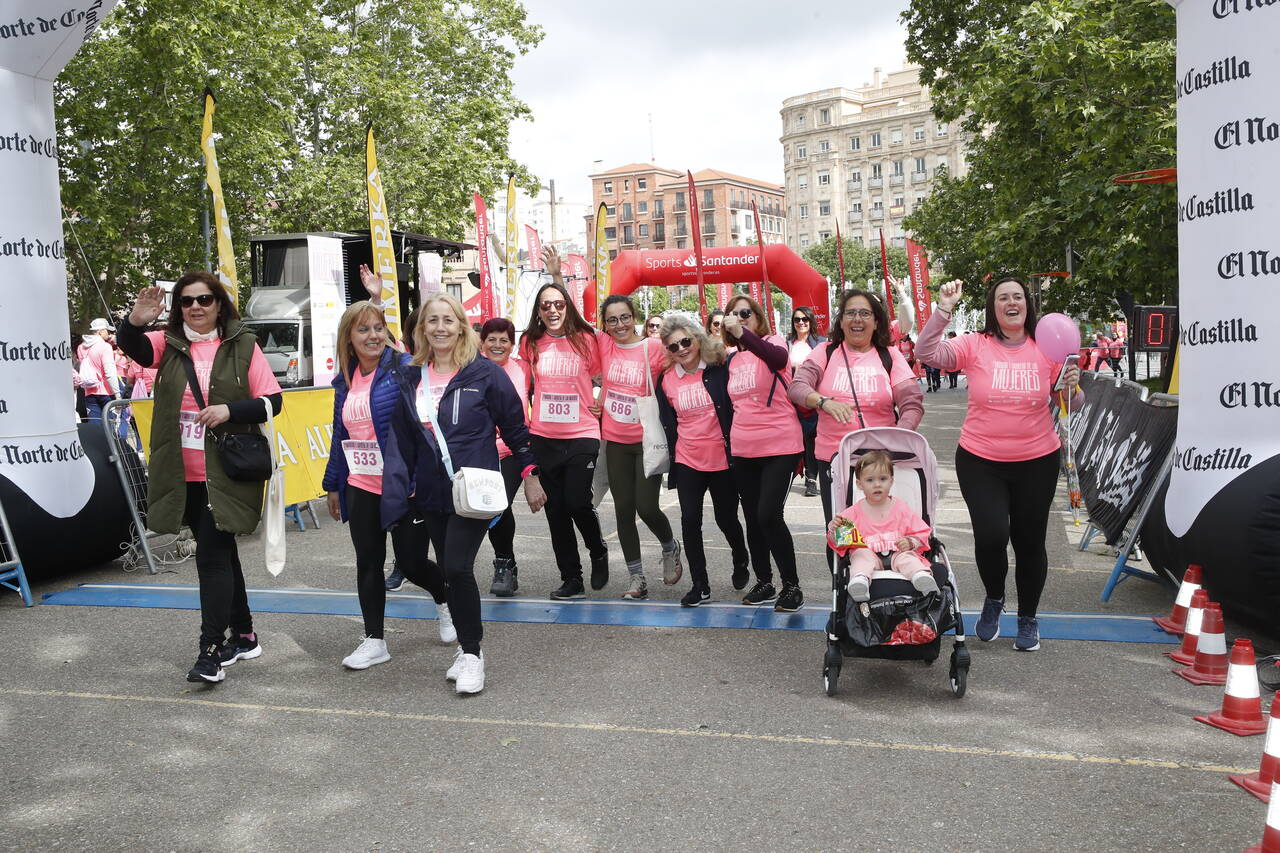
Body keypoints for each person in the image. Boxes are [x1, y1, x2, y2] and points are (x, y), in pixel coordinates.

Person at [118, 273, 282, 684]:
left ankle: (210, 651)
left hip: (225, 472)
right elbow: (133, 348)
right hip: (181, 471)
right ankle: (243, 635)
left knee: (210, 556)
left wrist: (231, 411)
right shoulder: (168, 344)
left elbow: (273, 402)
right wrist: (136, 320)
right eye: (187, 300)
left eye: (205, 299)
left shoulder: (242, 344)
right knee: (220, 552)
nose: (196, 306)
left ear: (219, 304)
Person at [916, 277, 1082, 652]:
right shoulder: (976, 345)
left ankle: (1028, 617)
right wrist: (943, 308)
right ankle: (994, 598)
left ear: (1028, 304)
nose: (1011, 302)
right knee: (991, 536)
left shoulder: (1048, 347)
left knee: (1029, 542)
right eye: (1003, 297)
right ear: (994, 307)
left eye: (1017, 296)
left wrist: (1072, 387)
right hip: (980, 460)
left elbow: (1071, 404)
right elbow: (926, 352)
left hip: (1037, 460)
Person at [407, 295, 546, 693]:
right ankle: (466, 649)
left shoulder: (484, 373)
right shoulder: (411, 373)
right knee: (450, 573)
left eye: (448, 320)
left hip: (472, 487)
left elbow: (516, 429)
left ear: (462, 326)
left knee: (455, 567)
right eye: (431, 320)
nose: (440, 327)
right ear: (422, 329)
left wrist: (530, 473)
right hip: (429, 489)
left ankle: (472, 654)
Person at [322, 301, 452, 671]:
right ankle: (375, 639)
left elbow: (419, 425)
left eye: (378, 327)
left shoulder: (403, 369)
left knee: (411, 563)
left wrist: (416, 478)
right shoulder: (344, 381)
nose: (373, 335)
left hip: (403, 485)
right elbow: (339, 434)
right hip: (360, 483)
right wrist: (333, 484)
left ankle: (444, 601)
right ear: (349, 337)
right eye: (363, 329)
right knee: (368, 562)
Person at [788, 288, 924, 545]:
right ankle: (846, 583)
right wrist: (824, 402)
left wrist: (899, 436)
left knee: (882, 533)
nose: (857, 319)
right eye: (851, 313)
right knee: (843, 538)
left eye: (865, 313)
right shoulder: (826, 353)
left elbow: (912, 402)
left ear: (876, 321)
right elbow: (797, 387)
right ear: (841, 321)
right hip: (835, 463)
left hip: (879, 464)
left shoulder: (889, 355)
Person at [523, 249, 609, 599]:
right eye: (546, 306)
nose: (553, 310)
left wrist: (603, 397)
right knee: (556, 513)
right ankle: (571, 577)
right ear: (538, 312)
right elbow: (521, 385)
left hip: (582, 434)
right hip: (544, 436)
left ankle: (598, 548)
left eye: (559, 304)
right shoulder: (530, 343)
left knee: (577, 502)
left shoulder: (585, 340)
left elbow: (607, 375)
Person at [655, 314, 751, 607]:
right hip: (687, 459)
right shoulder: (667, 380)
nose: (682, 349)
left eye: (686, 341)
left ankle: (740, 556)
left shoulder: (719, 368)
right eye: (673, 346)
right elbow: (667, 421)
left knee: (726, 519)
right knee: (689, 521)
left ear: (698, 338)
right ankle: (701, 585)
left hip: (722, 459)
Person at [597, 294, 683, 599]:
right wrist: (556, 277)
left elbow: (687, 354)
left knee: (646, 507)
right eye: (612, 319)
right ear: (604, 324)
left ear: (634, 317)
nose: (619, 325)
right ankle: (636, 578)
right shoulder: (604, 345)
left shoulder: (652, 348)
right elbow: (574, 324)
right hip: (615, 441)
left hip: (646, 441)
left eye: (624, 317)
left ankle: (670, 546)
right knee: (622, 512)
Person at [723, 294, 805, 609]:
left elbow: (778, 361)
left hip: (780, 443)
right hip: (744, 447)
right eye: (733, 313)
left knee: (768, 513)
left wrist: (742, 332)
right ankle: (765, 582)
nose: (740, 317)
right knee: (753, 518)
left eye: (746, 312)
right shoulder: (731, 359)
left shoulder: (774, 344)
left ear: (757, 316)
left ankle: (792, 586)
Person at [827, 450, 936, 602]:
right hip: (868, 554)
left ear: (891, 481)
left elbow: (922, 532)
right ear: (859, 484)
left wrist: (911, 541)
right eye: (870, 480)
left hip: (898, 552)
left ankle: (920, 577)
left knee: (907, 558)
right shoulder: (852, 513)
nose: (877, 484)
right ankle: (860, 580)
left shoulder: (901, 508)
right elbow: (841, 542)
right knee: (860, 556)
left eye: (883, 479)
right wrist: (834, 530)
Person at [478, 316, 530, 596]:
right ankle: (505, 562)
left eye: (504, 340)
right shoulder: (472, 369)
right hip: (480, 453)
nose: (498, 345)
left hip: (512, 451)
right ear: (482, 342)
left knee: (500, 504)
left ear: (512, 345)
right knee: (488, 508)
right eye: (492, 339)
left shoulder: (522, 369)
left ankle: (504, 564)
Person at [787, 305, 826, 497]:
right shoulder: (786, 344)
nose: (801, 323)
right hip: (790, 400)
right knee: (796, 440)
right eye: (797, 319)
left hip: (813, 399)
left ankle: (812, 480)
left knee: (812, 441)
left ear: (811, 321)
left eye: (804, 319)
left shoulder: (821, 343)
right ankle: (790, 475)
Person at [77, 317, 121, 424]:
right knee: (111, 426)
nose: (109, 333)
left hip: (89, 391)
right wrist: (117, 394)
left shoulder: (81, 348)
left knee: (95, 425)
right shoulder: (105, 347)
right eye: (107, 330)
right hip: (106, 391)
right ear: (100, 331)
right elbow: (109, 372)